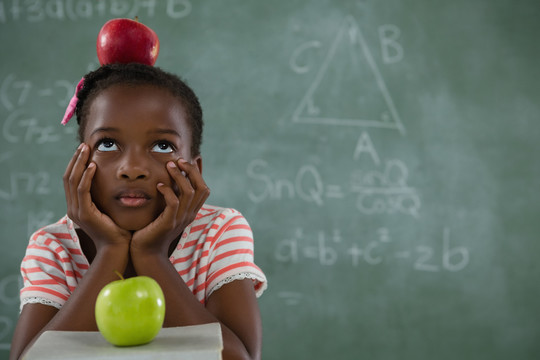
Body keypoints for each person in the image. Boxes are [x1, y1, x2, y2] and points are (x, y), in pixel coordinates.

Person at [10, 63, 267, 360]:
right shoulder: (53, 247)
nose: (132, 169)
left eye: (161, 145)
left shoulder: (218, 231)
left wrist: (150, 255)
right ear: (78, 164)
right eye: (107, 143)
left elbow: (241, 357)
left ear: (194, 171)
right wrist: (111, 249)